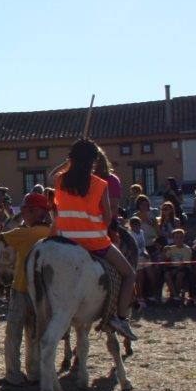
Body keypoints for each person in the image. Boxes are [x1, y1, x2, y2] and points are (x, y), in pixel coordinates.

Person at [49, 139, 137, 340]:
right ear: (93, 161)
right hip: (95, 243)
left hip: (64, 241)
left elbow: (50, 176)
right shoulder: (100, 184)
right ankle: (120, 318)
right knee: (129, 274)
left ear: (72, 159)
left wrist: (67, 163)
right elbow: (107, 217)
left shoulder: (60, 181)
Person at [0, 192, 51, 386]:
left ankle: (13, 375)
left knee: (13, 334)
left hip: (20, 289)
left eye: (25, 211)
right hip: (42, 294)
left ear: (34, 211)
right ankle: (34, 374)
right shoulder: (52, 233)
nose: (23, 214)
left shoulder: (24, 234)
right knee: (34, 335)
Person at [161, 228, 193, 304]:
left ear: (183, 238)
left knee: (179, 275)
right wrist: (164, 251)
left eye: (181, 237)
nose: (179, 239)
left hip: (184, 268)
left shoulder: (187, 249)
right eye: (176, 237)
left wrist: (176, 270)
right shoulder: (170, 248)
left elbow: (185, 263)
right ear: (173, 239)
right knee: (166, 275)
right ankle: (176, 296)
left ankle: (174, 296)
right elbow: (165, 259)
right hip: (172, 268)